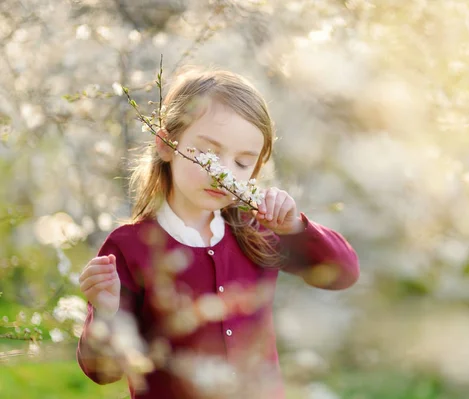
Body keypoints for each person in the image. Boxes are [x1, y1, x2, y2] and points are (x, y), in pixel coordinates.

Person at [76, 67, 360, 399]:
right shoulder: (128, 247)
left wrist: (297, 228)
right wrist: (105, 314)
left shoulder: (256, 229)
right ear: (167, 145)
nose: (222, 173)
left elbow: (343, 274)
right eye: (209, 154)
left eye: (242, 163)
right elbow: (103, 371)